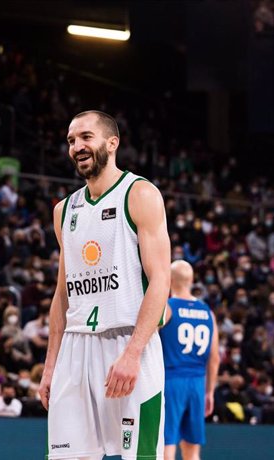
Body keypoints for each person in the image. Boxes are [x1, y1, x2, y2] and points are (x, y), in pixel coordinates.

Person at [38, 111, 171, 459]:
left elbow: (160, 279)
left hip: (127, 343)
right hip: (75, 348)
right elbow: (62, 294)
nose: (77, 147)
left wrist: (133, 353)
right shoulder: (64, 210)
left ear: (112, 143)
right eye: (71, 141)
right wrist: (51, 365)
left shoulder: (140, 193)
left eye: (86, 137)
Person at [159, 261, 219, 460]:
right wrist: (209, 391)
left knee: (167, 444)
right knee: (192, 449)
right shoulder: (208, 312)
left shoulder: (166, 308)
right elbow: (214, 358)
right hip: (197, 384)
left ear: (169, 280)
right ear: (191, 281)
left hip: (171, 381)